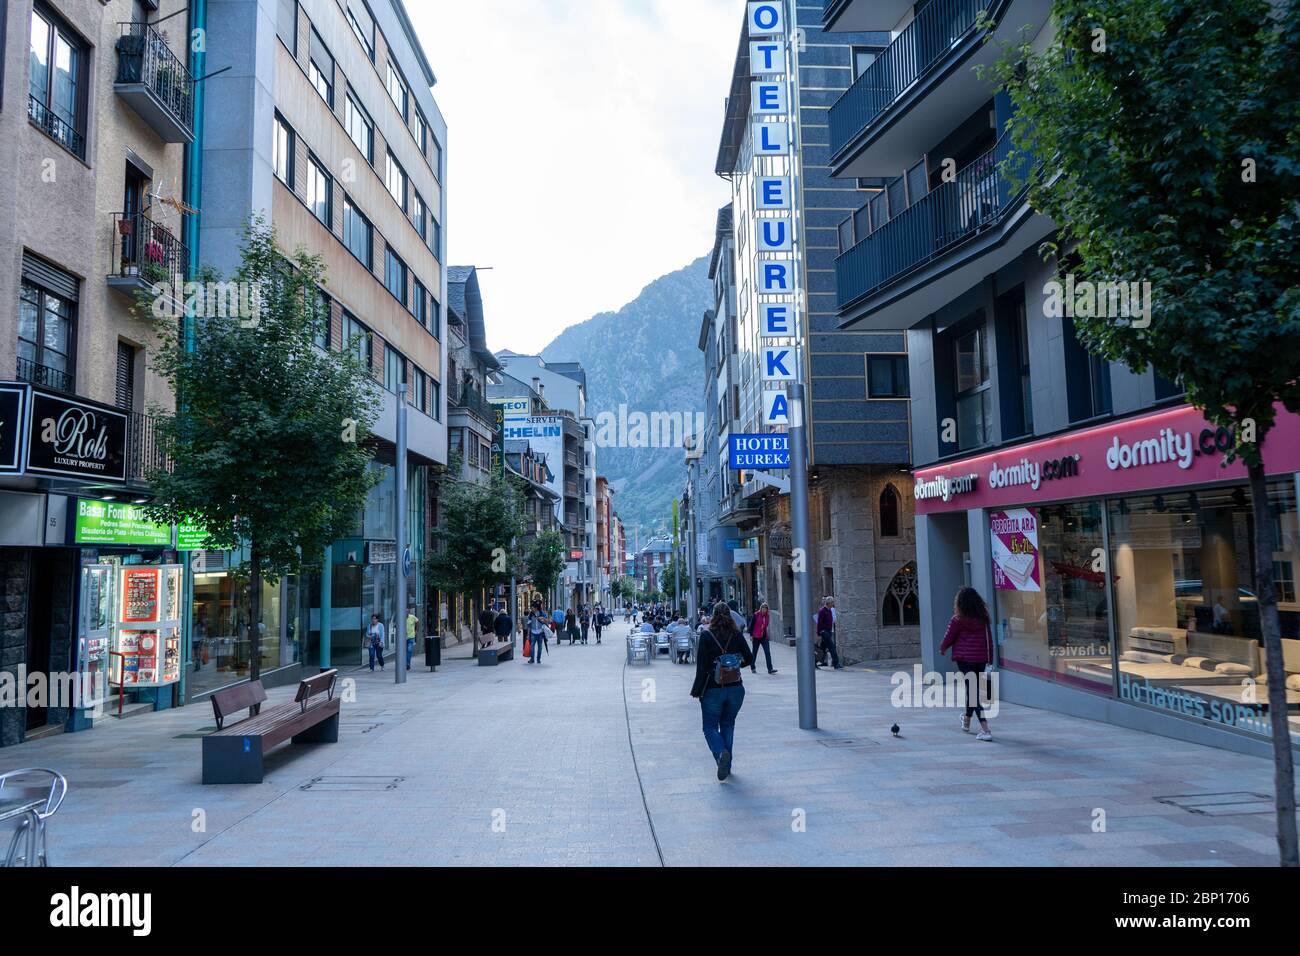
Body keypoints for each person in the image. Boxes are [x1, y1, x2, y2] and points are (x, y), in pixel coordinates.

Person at [691, 602, 755, 781]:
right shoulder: (736, 634)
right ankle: (727, 764)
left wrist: (697, 689)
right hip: (735, 687)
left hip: (713, 688)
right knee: (728, 724)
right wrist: (735, 665)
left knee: (710, 726)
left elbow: (702, 666)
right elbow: (749, 658)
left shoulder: (706, 635)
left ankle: (721, 755)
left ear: (713, 616)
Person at [939, 587, 995, 741]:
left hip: (964, 660)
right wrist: (990, 660)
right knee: (973, 691)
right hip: (981, 659)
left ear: (960, 602)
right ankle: (967, 721)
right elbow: (989, 641)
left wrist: (943, 648)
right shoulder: (983, 618)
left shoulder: (957, 619)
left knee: (973, 693)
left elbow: (949, 636)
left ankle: (986, 729)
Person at [748, 602, 776, 675]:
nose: (764, 610)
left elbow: (765, 626)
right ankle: (752, 667)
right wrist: (751, 635)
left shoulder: (767, 616)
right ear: (761, 608)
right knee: (754, 653)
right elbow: (751, 626)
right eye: (763, 608)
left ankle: (770, 669)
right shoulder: (756, 615)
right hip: (756, 637)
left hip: (764, 637)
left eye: (766, 609)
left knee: (767, 653)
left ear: (767, 610)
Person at [816, 596, 842, 670]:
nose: (833, 604)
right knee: (832, 647)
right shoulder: (822, 611)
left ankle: (814, 662)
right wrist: (819, 634)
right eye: (832, 602)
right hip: (824, 632)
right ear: (829, 603)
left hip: (828, 631)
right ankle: (836, 663)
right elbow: (819, 623)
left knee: (822, 649)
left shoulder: (830, 610)